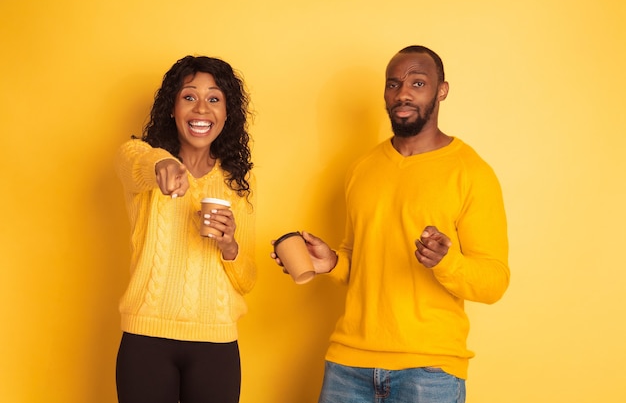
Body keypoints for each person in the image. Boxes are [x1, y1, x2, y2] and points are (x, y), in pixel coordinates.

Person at [272, 45, 509, 403]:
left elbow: (495, 281)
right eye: (393, 84)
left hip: (429, 371)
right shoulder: (363, 168)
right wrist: (333, 262)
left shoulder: (472, 172)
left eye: (418, 83)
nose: (403, 94)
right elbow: (360, 258)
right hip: (347, 366)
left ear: (441, 90)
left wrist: (447, 262)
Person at [115, 55, 256, 403]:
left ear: (227, 113)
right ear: (173, 109)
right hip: (146, 339)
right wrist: (162, 162)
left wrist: (230, 247)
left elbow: (248, 279)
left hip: (216, 343)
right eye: (189, 97)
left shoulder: (236, 182)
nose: (201, 109)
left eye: (214, 99)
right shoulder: (149, 164)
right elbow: (130, 157)